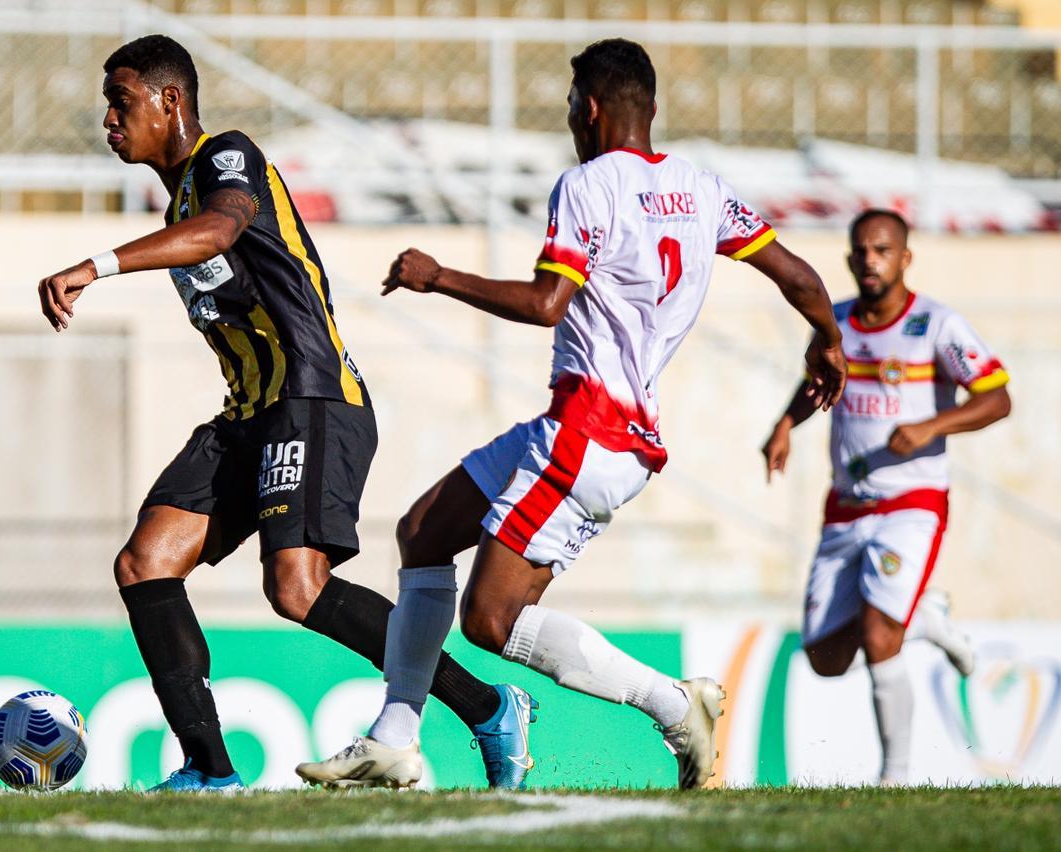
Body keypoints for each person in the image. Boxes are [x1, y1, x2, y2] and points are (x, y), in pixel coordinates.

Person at [296, 38, 847, 791]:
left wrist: (438, 277)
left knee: (489, 621)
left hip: (591, 432)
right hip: (595, 429)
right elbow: (797, 274)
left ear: (588, 110)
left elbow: (546, 302)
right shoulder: (703, 188)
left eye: (568, 106)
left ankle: (672, 704)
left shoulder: (588, 185)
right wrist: (828, 340)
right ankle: (395, 736)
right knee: (423, 532)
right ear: (648, 107)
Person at [35, 34, 534, 793]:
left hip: (314, 395)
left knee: (296, 587)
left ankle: (489, 706)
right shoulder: (174, 199)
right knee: (145, 562)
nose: (109, 119)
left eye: (122, 102)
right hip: (250, 413)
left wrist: (95, 265)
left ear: (170, 101)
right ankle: (210, 771)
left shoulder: (224, 156)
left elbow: (222, 229)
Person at [761, 208, 1010, 785]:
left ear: (905, 258)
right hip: (846, 504)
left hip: (911, 503)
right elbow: (818, 383)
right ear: (849, 259)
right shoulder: (836, 323)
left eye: (882, 250)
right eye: (861, 251)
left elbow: (997, 396)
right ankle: (925, 620)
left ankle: (894, 776)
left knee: (877, 637)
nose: (870, 261)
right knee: (824, 657)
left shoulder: (937, 324)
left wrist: (932, 426)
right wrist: (783, 425)